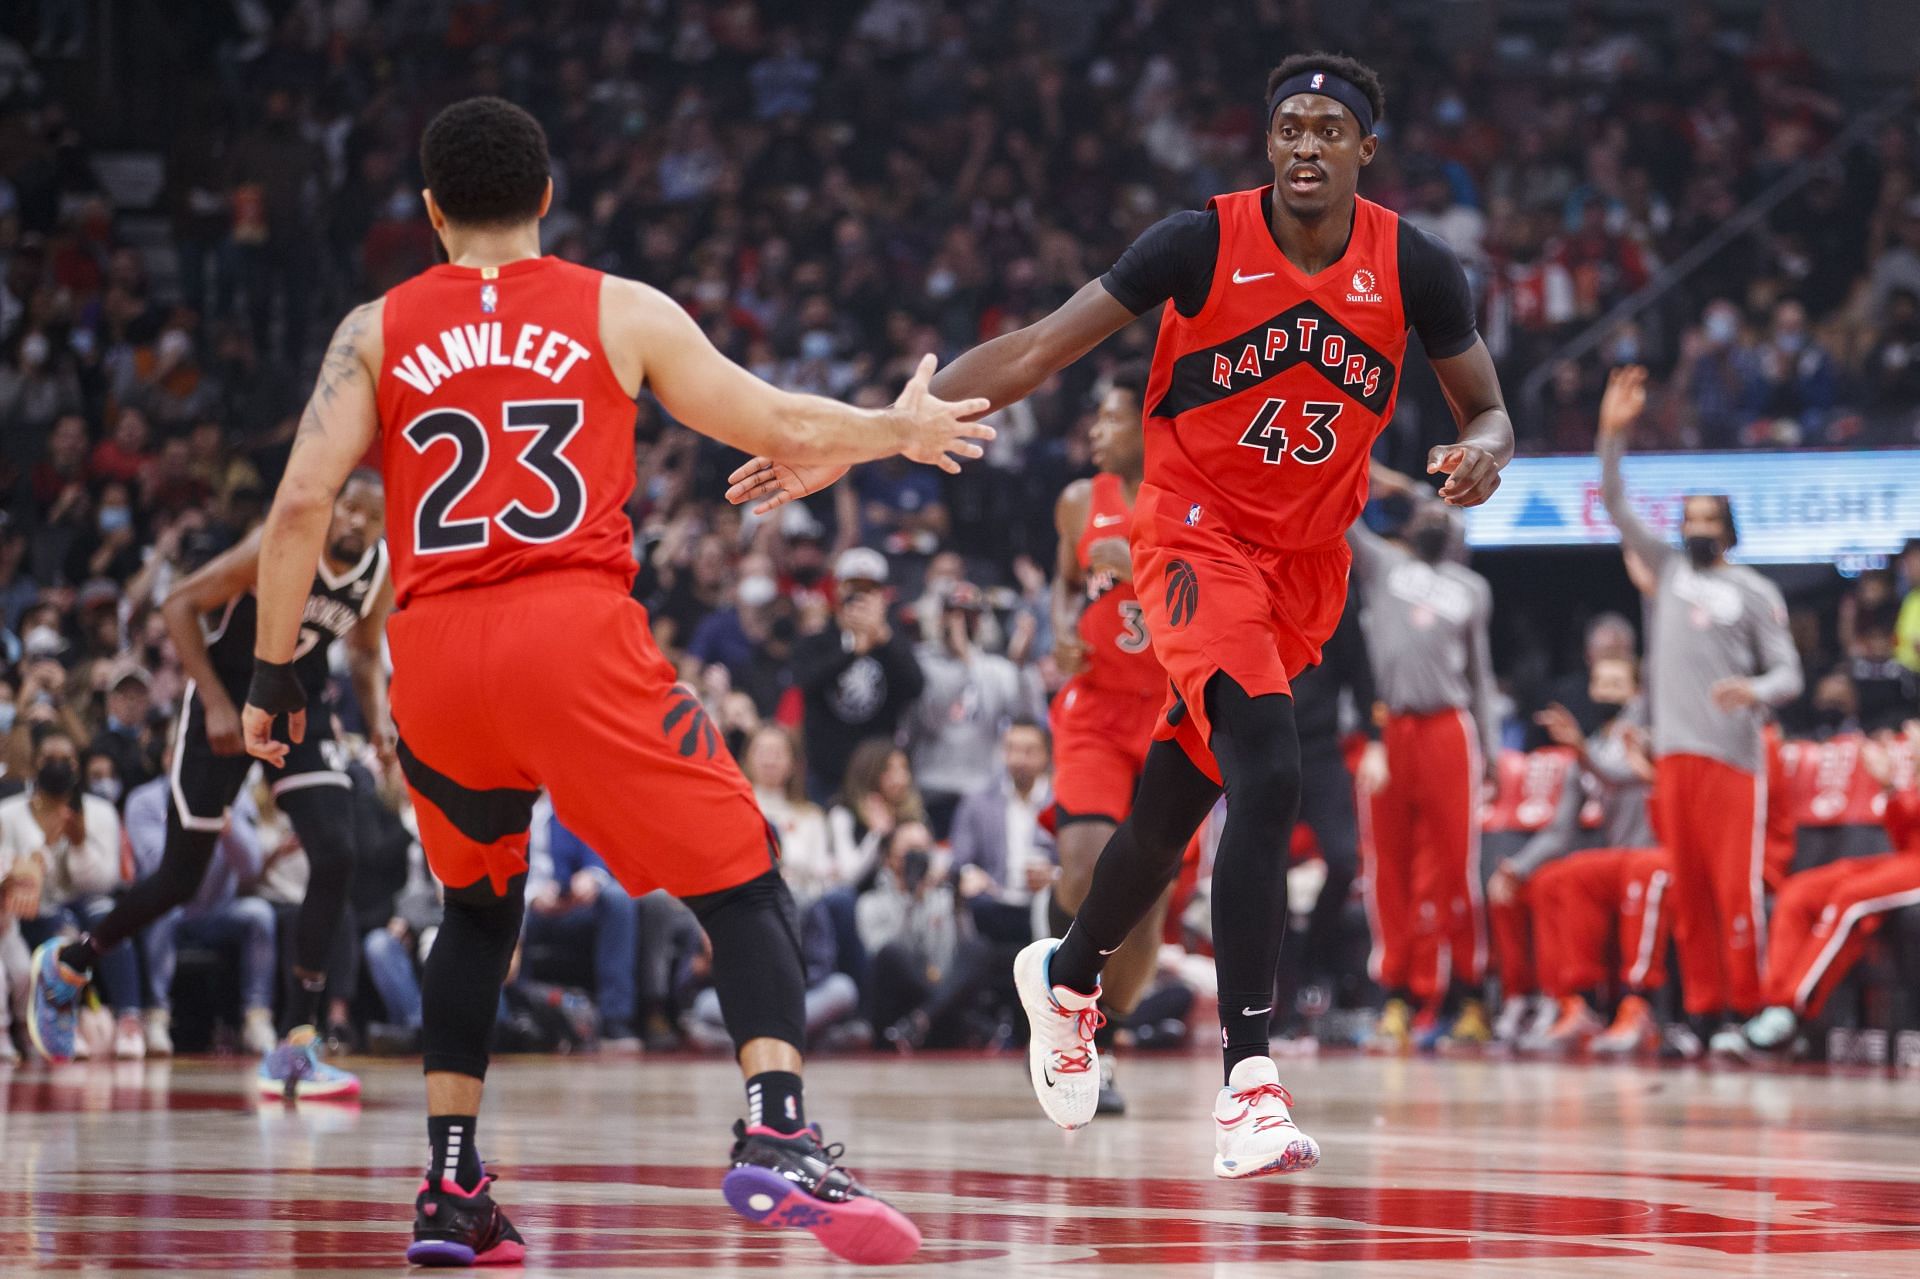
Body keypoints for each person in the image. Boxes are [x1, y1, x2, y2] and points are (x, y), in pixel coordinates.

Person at [731, 50, 1513, 1174]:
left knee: (1171, 811)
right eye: (1286, 125)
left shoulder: (1417, 268)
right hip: (1194, 531)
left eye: (1327, 131)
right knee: (1272, 767)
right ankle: (1250, 1079)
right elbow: (1043, 348)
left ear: (1363, 152)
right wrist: (867, 430)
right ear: (1268, 143)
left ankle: (1067, 973)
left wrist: (1482, 452)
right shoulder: (1198, 241)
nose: (1304, 145)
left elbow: (1487, 407)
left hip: (1307, 566)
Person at [235, 98, 987, 1266]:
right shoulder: (613, 306)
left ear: (431, 213)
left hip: (430, 657)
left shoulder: (372, 331)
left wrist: (278, 675)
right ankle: (778, 1132)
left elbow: (296, 508)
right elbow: (775, 416)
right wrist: (893, 429)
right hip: (566, 631)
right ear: (546, 197)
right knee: (742, 878)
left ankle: (449, 1183)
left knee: (478, 910)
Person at [29, 471, 389, 1101]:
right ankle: (71, 965)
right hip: (224, 704)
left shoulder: (377, 570)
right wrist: (220, 704)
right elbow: (178, 605)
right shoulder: (278, 542)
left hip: (296, 707)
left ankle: (294, 1042)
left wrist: (381, 728)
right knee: (179, 879)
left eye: (373, 517)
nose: (358, 524)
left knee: (336, 854)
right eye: (350, 510)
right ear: (329, 509)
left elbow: (361, 652)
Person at [1596, 365, 1803, 1059]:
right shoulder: (1671, 573)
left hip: (1733, 759)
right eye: (1690, 520)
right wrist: (1610, 434)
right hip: (1675, 757)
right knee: (1689, 894)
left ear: (1731, 531)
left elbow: (1790, 672)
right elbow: (1617, 503)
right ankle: (1708, 1014)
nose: (1697, 529)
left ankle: (1754, 1010)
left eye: (1710, 521)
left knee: (1735, 892)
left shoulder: (1753, 590)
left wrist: (1755, 690)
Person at [1042, 364, 1169, 1114]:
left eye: (1112, 419)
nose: (1096, 432)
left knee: (1149, 900)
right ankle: (1055, 985)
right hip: (1095, 704)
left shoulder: (1188, 498)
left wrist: (1147, 565)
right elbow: (1064, 582)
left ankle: (1101, 1045)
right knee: (1088, 864)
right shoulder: (1076, 502)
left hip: (1168, 710)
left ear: (1149, 426)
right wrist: (1061, 632)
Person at [1351, 498, 1498, 1051]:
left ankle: (1468, 993)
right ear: (1408, 521)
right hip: (1388, 729)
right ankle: (1396, 995)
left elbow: (1481, 676)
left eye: (1445, 511)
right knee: (1387, 865)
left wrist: (1489, 750)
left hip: (1449, 729)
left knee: (1454, 866)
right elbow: (1344, 515)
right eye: (1426, 508)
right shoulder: (1384, 564)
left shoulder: (1471, 588)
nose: (1435, 517)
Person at [1486, 655, 1666, 1056]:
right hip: (1614, 859)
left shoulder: (1647, 736)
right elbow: (1560, 830)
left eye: (1617, 685)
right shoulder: (1590, 747)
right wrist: (1517, 867)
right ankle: (1562, 1001)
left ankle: (1636, 1007)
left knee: (1584, 873)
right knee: (1547, 879)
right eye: (1600, 684)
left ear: (1637, 693)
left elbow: (1619, 773)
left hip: (1654, 853)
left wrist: (1580, 748)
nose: (1606, 693)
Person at [1744, 720, 1920, 1054]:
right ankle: (1771, 1003)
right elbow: (1902, 836)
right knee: (1799, 891)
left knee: (1850, 900)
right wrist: (1894, 788)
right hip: (1908, 858)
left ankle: (1791, 1010)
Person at [4, 725, 138, 1059]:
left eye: (66, 758)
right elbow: (17, 879)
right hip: (33, 913)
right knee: (63, 926)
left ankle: (129, 1018)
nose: (58, 764)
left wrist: (79, 845)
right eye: (49, 758)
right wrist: (45, 846)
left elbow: (105, 882)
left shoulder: (100, 811)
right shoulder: (8, 813)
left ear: (77, 765)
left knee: (111, 920)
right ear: (35, 762)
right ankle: (63, 1019)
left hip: (85, 901)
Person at [906, 580, 1044, 836]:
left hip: (981, 789)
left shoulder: (996, 668)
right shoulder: (921, 663)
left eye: (969, 616)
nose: (960, 624)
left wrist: (1022, 668)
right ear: (941, 618)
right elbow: (932, 720)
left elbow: (1027, 718)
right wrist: (962, 664)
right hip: (932, 786)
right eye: (954, 615)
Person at [791, 547, 925, 801]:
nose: (861, 597)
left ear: (883, 595)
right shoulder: (817, 640)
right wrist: (852, 651)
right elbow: (806, 683)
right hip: (826, 776)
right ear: (838, 589)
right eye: (854, 587)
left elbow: (915, 687)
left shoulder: (895, 643)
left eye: (870, 589)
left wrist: (883, 638)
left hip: (878, 777)